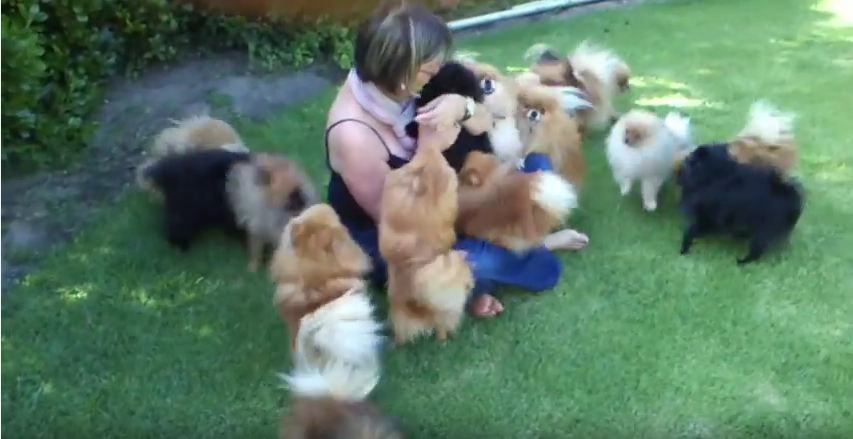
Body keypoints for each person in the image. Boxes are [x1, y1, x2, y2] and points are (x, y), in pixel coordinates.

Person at [324, 2, 588, 318]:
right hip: (400, 237)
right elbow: (406, 226)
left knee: (537, 165)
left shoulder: (406, 85)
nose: (437, 69)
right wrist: (430, 150)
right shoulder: (353, 136)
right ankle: (530, 248)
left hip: (452, 191)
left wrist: (463, 106)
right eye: (428, 65)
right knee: (480, 260)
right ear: (398, 67)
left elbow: (487, 120)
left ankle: (498, 256)